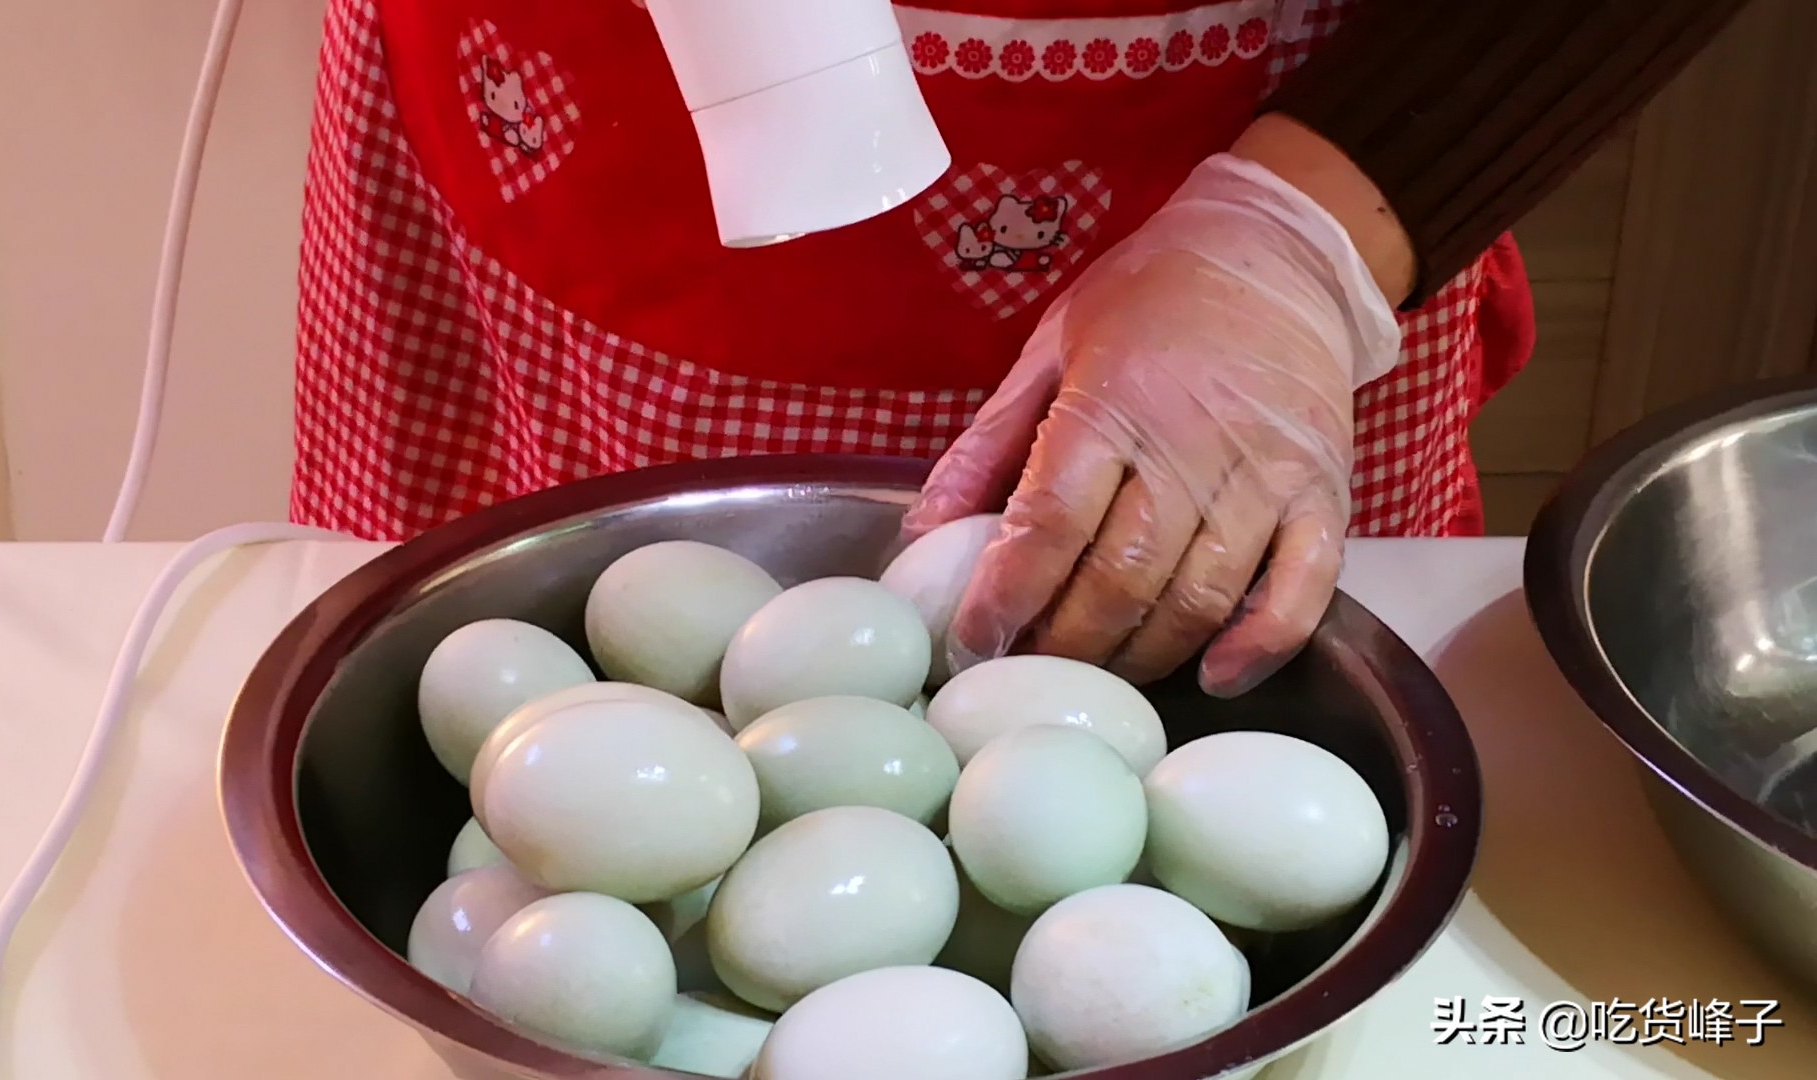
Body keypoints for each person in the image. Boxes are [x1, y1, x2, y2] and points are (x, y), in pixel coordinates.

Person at [291, 0, 1748, 693]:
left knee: (1225, 658)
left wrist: (1295, 241)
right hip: (575, 119)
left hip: (1288, 135)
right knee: (546, 683)